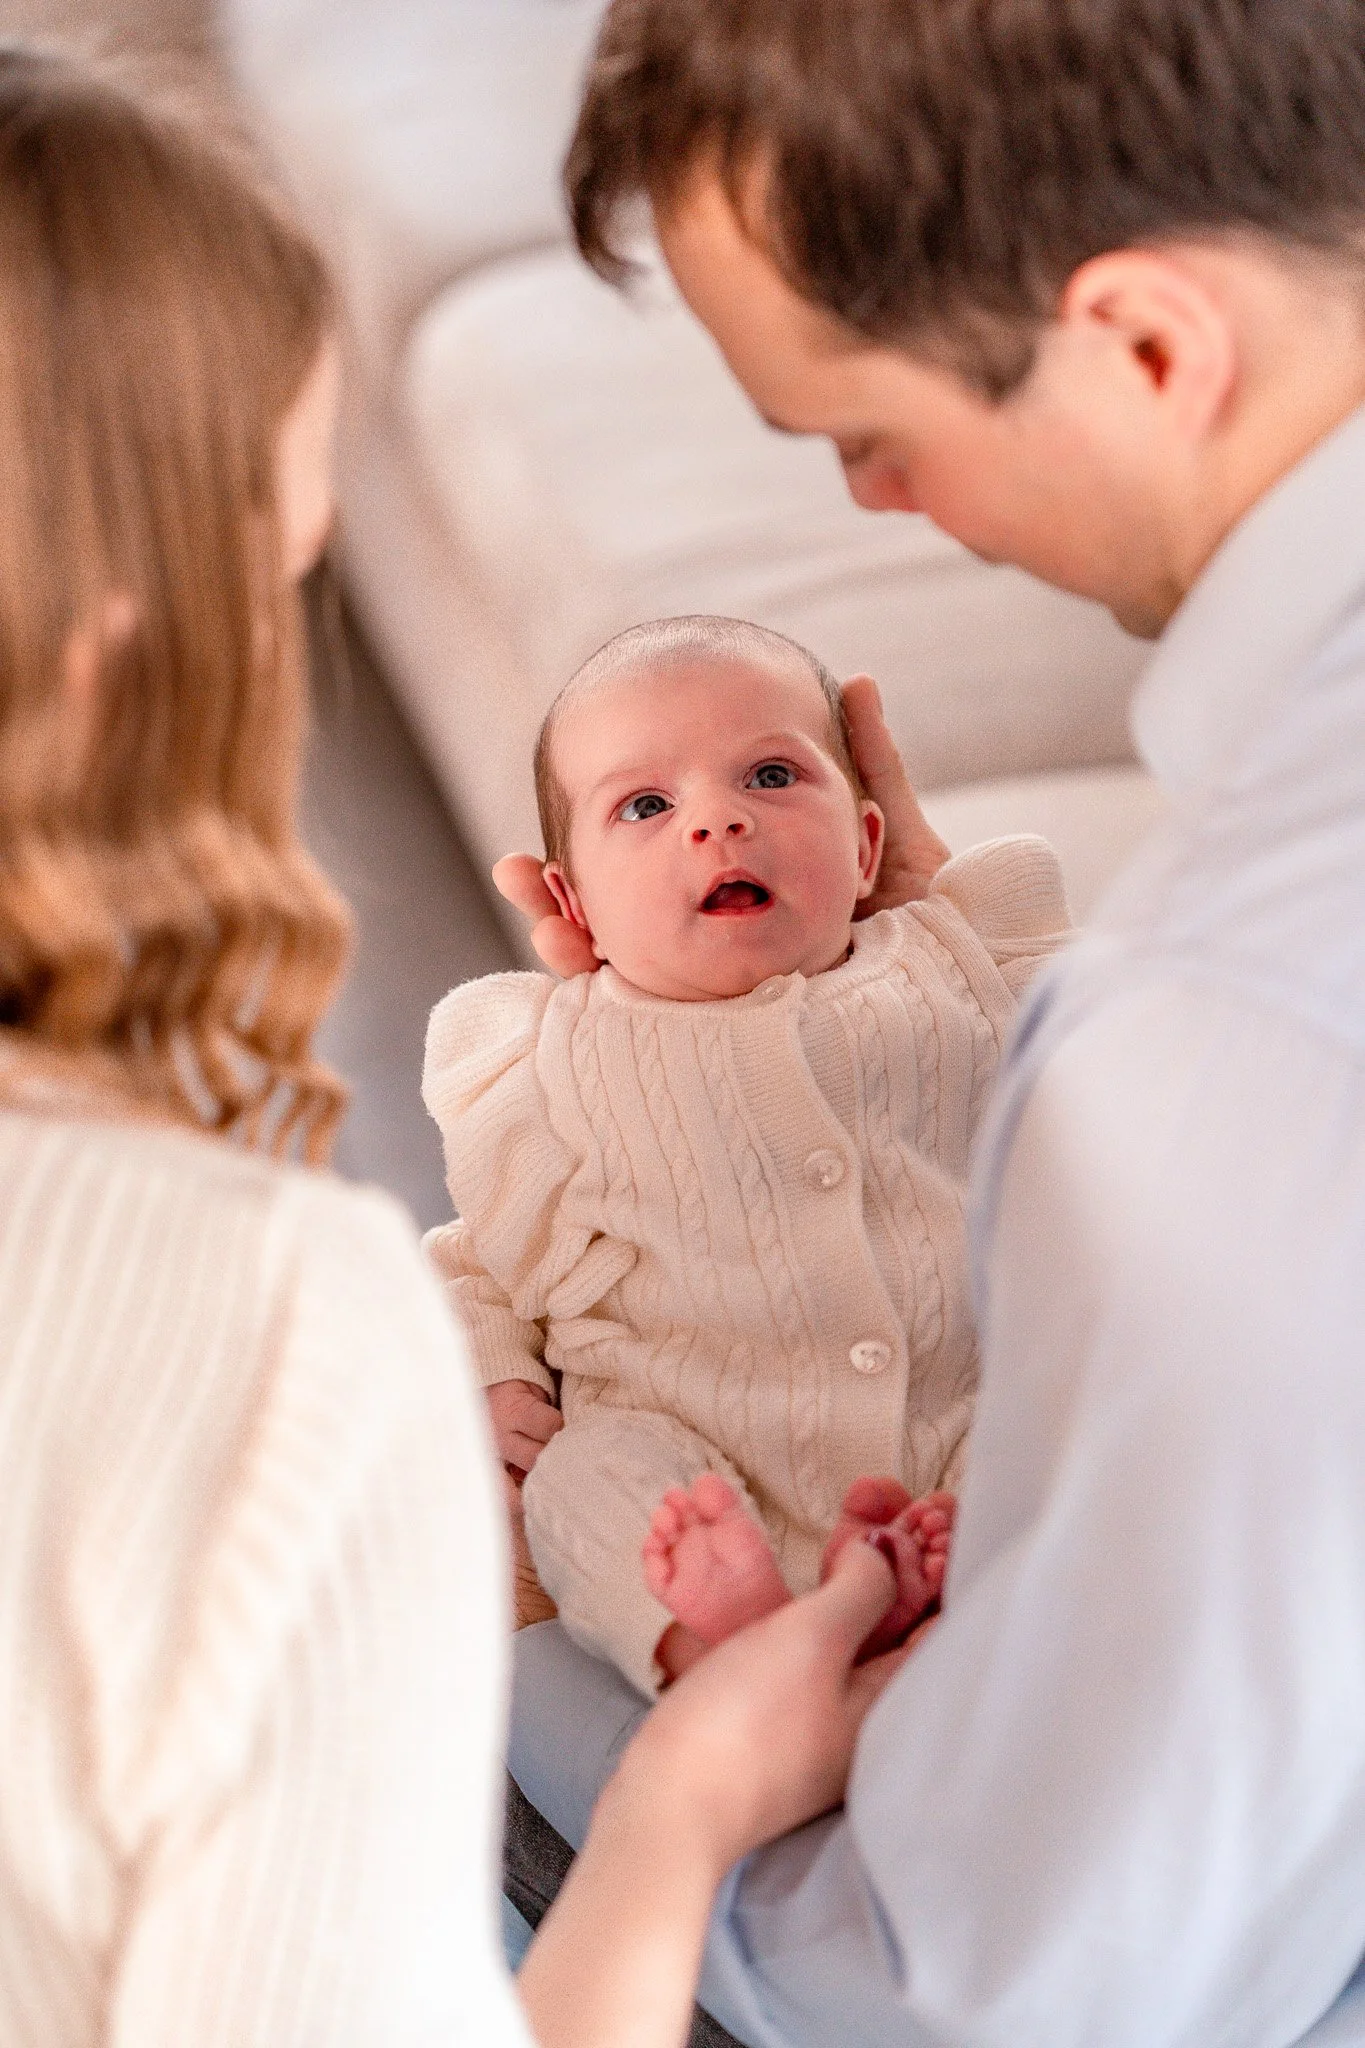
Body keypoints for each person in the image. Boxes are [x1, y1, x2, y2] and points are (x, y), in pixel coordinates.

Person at [0, 43, 921, 2048]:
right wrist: (678, 1820)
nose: (712, 829)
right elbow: (485, 1294)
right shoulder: (272, 1322)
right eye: (283, 580)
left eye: (768, 777)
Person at [494, 2, 1365, 2043]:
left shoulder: (1202, 1059)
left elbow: (995, 1990)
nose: (874, 503)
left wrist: (669, 1805)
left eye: (861, 428)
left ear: (1146, 344)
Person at [425, 612, 1066, 1694]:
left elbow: (1106, 1053)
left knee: (1081, 1428)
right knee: (582, 1478)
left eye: (770, 774)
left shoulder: (953, 960)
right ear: (575, 902)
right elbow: (478, 1255)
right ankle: (723, 1641)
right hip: (705, 1477)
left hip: (964, 1428)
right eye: (647, 804)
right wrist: (489, 1374)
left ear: (865, 845)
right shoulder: (552, 1065)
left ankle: (958, 1606)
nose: (718, 820)